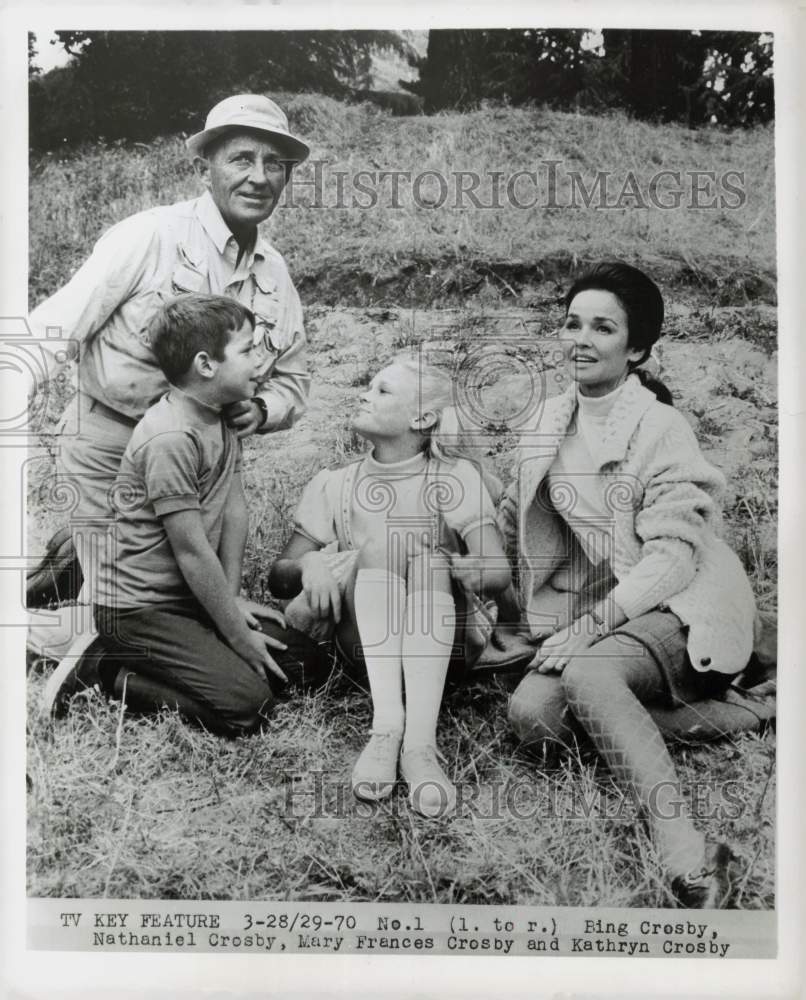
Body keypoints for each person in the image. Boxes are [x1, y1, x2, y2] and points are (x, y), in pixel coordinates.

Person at [499, 261, 756, 908]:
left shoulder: (659, 426)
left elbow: (672, 556)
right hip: (607, 607)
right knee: (533, 718)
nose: (581, 339)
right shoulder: (547, 421)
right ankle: (756, 707)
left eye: (603, 328)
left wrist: (591, 627)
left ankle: (691, 856)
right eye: (572, 323)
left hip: (682, 599)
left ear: (636, 348)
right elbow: (512, 522)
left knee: (589, 677)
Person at [27, 94, 311, 656]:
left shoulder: (274, 273)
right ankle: (46, 611)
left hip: (197, 467)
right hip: (110, 447)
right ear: (205, 163)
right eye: (241, 159)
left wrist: (261, 409)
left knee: (192, 610)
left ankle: (71, 565)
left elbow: (294, 382)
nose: (259, 177)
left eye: (274, 164)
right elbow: (50, 329)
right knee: (119, 632)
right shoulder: (150, 236)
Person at [46, 295, 330, 735]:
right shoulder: (170, 438)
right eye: (248, 350)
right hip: (138, 610)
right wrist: (237, 636)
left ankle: (197, 652)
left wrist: (231, 601)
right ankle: (102, 669)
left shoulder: (220, 414)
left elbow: (235, 509)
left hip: (191, 599)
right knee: (248, 707)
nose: (261, 359)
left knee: (308, 665)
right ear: (205, 364)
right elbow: (192, 551)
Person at [268, 357, 511, 817]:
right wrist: (313, 564)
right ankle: (387, 728)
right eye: (369, 386)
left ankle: (419, 743)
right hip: (363, 646)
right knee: (382, 546)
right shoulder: (336, 484)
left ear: (421, 419)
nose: (365, 394)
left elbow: (498, 573)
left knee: (421, 557)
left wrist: (460, 567)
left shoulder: (455, 478)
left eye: (382, 391)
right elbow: (279, 577)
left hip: (447, 647)